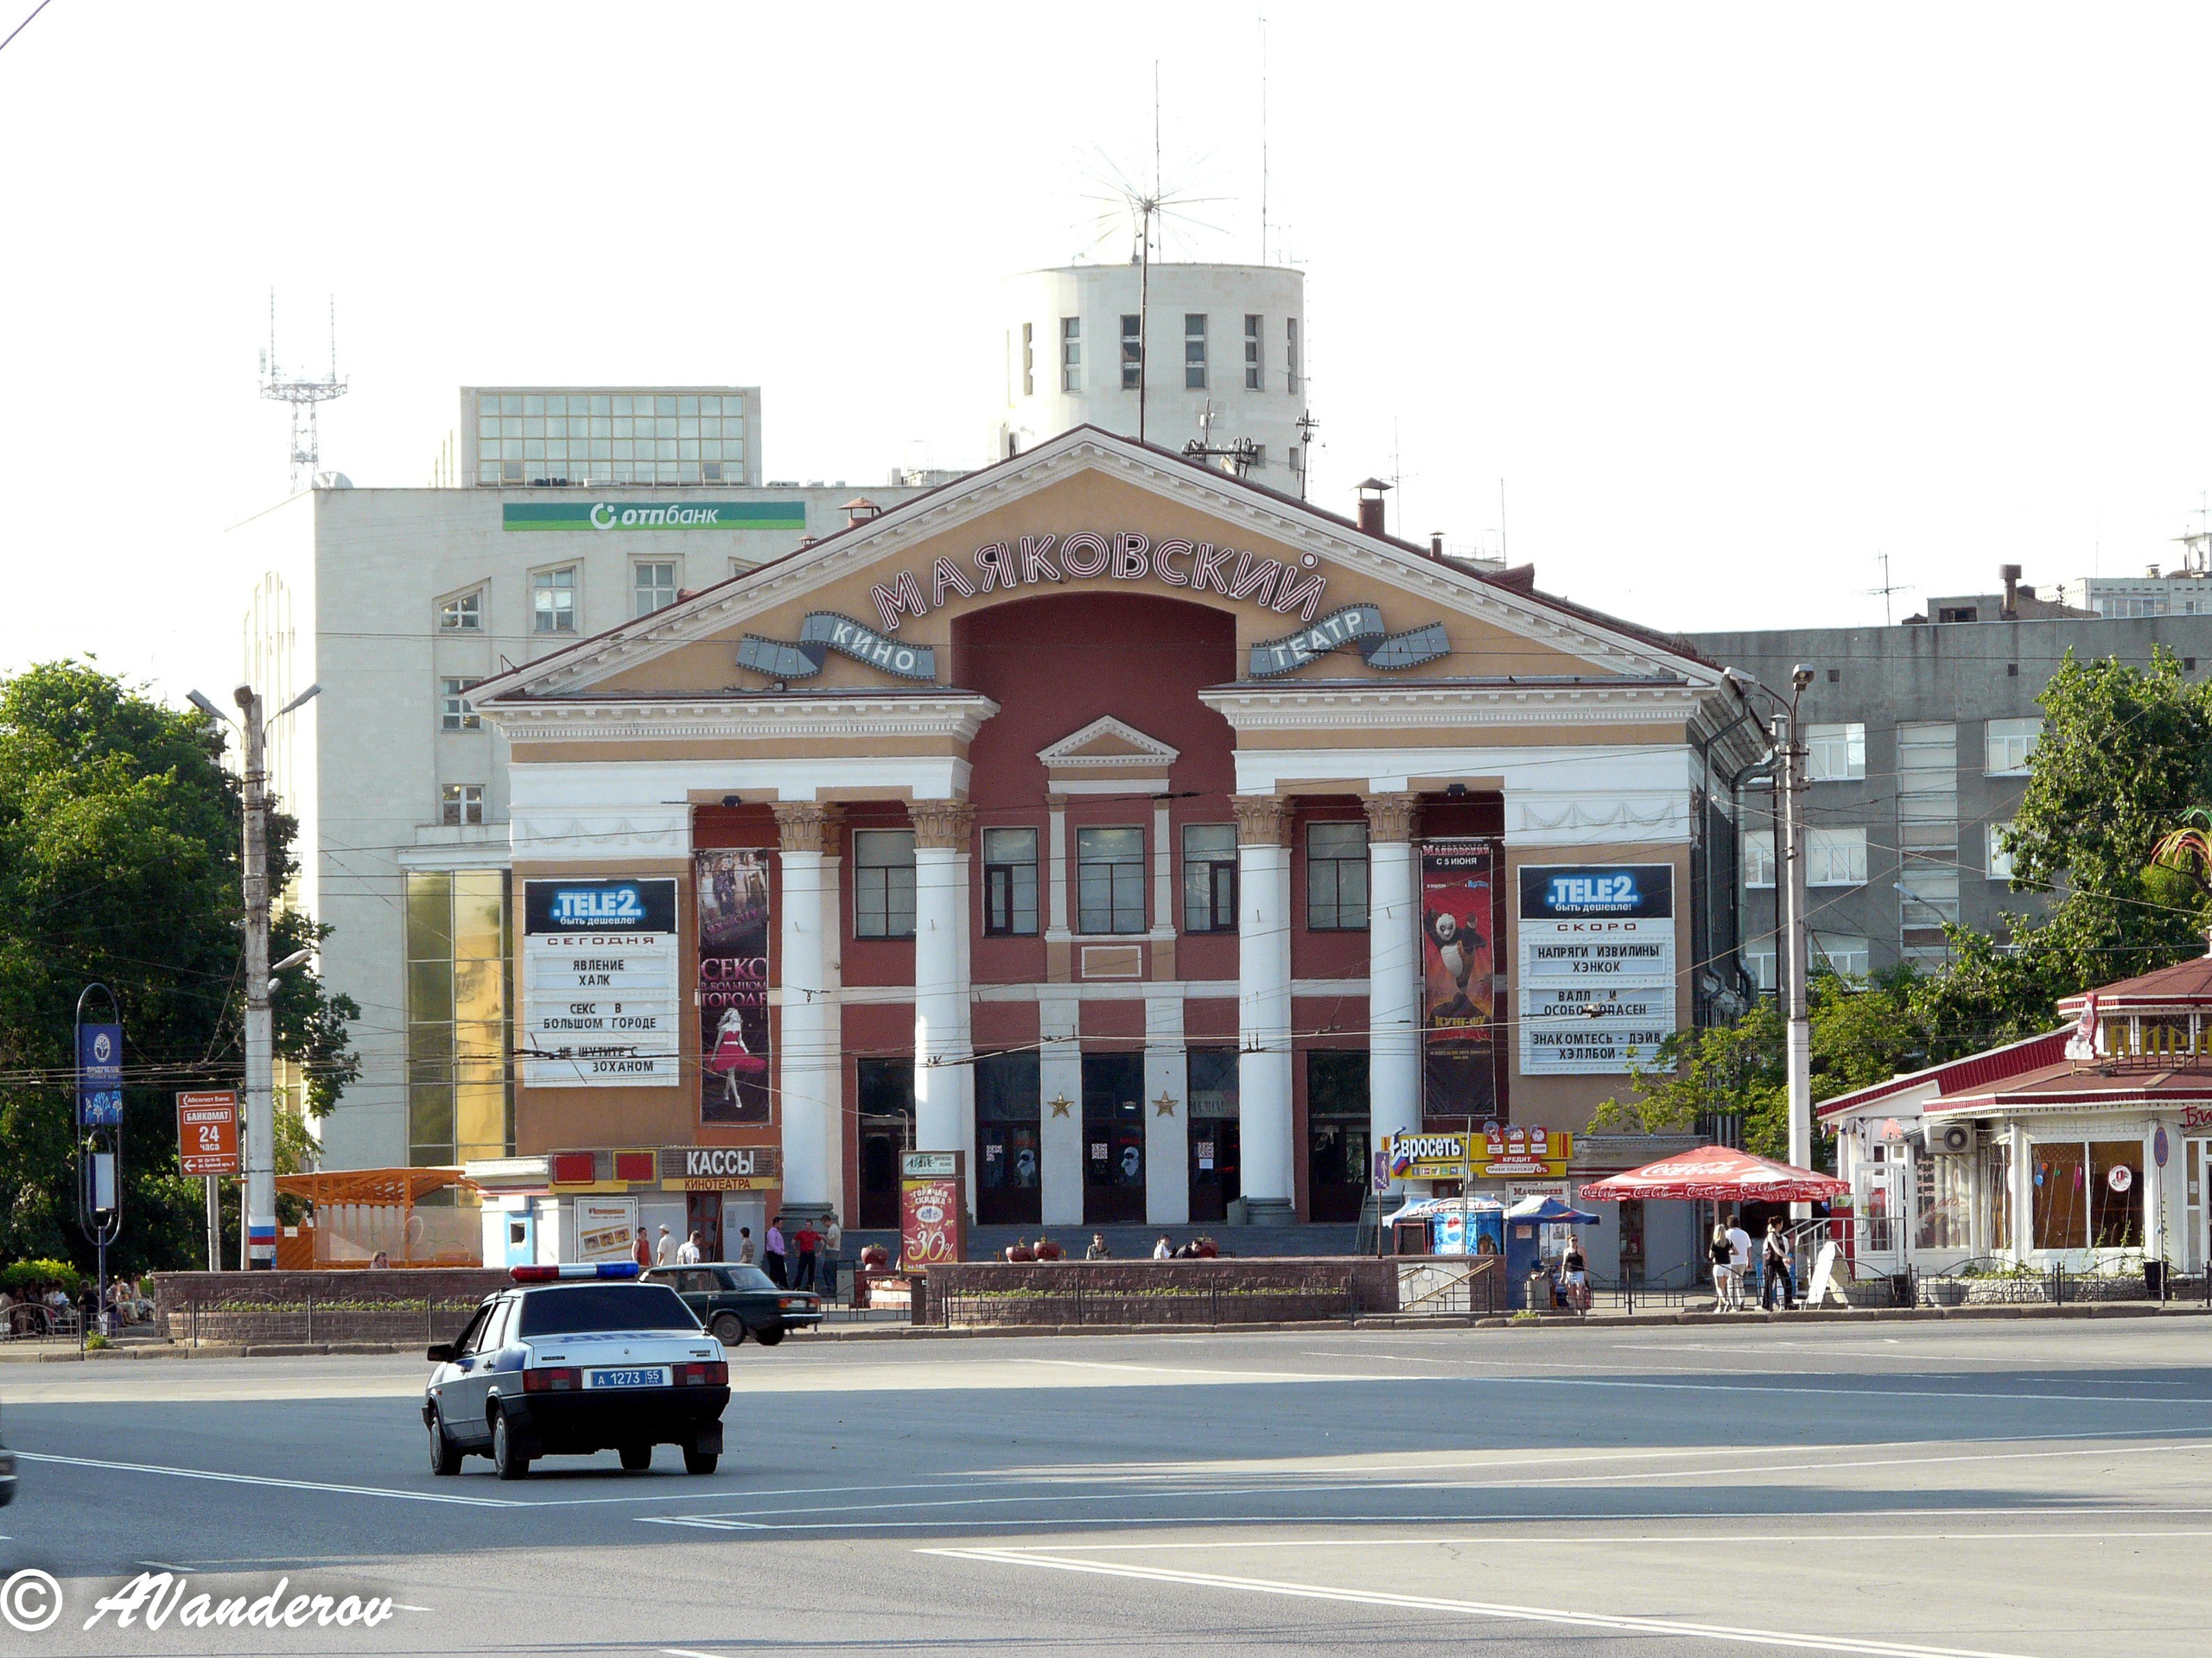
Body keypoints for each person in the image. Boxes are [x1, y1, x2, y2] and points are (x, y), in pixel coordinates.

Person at [1762, 1219, 1796, 1311]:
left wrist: (1784, 1258)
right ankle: (1766, 1304)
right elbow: (1776, 1249)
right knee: (1769, 1282)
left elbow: (1783, 1248)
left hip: (1779, 1261)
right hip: (1771, 1261)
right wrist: (1786, 1257)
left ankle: (1788, 1302)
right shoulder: (1771, 1235)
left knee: (1787, 1280)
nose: (1782, 1226)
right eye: (1781, 1224)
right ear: (1778, 1224)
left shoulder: (1780, 1235)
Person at [1725, 1216, 1753, 1311]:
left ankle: (1734, 1305)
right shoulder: (1744, 1234)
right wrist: (1749, 1261)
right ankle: (1742, 1300)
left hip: (1731, 1261)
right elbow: (1749, 1248)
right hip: (1742, 1261)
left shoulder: (1727, 1234)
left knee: (1731, 1283)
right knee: (1739, 1281)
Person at [1560, 1239, 1590, 1312]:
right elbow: (1564, 1264)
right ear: (1569, 1241)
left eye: (1576, 1240)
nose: (1574, 1242)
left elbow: (1585, 1262)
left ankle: (1582, 1308)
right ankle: (1575, 1309)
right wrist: (1562, 1276)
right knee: (1571, 1292)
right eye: (1573, 1240)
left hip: (1579, 1272)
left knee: (1579, 1292)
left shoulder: (1581, 1250)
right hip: (1569, 1272)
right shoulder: (1566, 1251)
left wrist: (1586, 1274)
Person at [1709, 1224, 1733, 1311]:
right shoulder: (1728, 1242)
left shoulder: (1715, 1242)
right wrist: (1729, 1253)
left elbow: (1710, 1255)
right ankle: (1720, 1307)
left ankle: (1726, 1302)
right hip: (1728, 1266)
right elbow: (1736, 1251)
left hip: (1719, 1266)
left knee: (1719, 1288)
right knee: (1723, 1287)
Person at [793, 1219, 821, 1290]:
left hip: (811, 1254)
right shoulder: (801, 1233)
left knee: (811, 1272)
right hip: (803, 1253)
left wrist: (819, 1252)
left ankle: (809, 1286)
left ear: (811, 1226)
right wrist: (797, 1251)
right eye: (806, 1225)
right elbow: (793, 1241)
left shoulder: (814, 1234)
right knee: (800, 1271)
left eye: (808, 1225)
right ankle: (796, 1287)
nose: (807, 1227)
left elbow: (822, 1242)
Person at [822, 1210, 842, 1304]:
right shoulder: (834, 1228)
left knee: (830, 1271)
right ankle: (831, 1288)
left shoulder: (833, 1229)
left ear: (827, 1221)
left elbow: (831, 1243)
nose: (824, 1226)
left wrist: (824, 1238)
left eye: (824, 1223)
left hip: (832, 1252)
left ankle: (832, 1289)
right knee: (827, 1270)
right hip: (832, 1252)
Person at [764, 1217, 788, 1286]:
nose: (781, 1225)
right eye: (780, 1224)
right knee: (777, 1272)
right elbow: (773, 1246)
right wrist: (782, 1253)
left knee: (780, 1273)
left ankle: (782, 1286)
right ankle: (779, 1286)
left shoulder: (777, 1232)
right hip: (774, 1255)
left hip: (778, 1254)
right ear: (776, 1224)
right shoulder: (772, 1233)